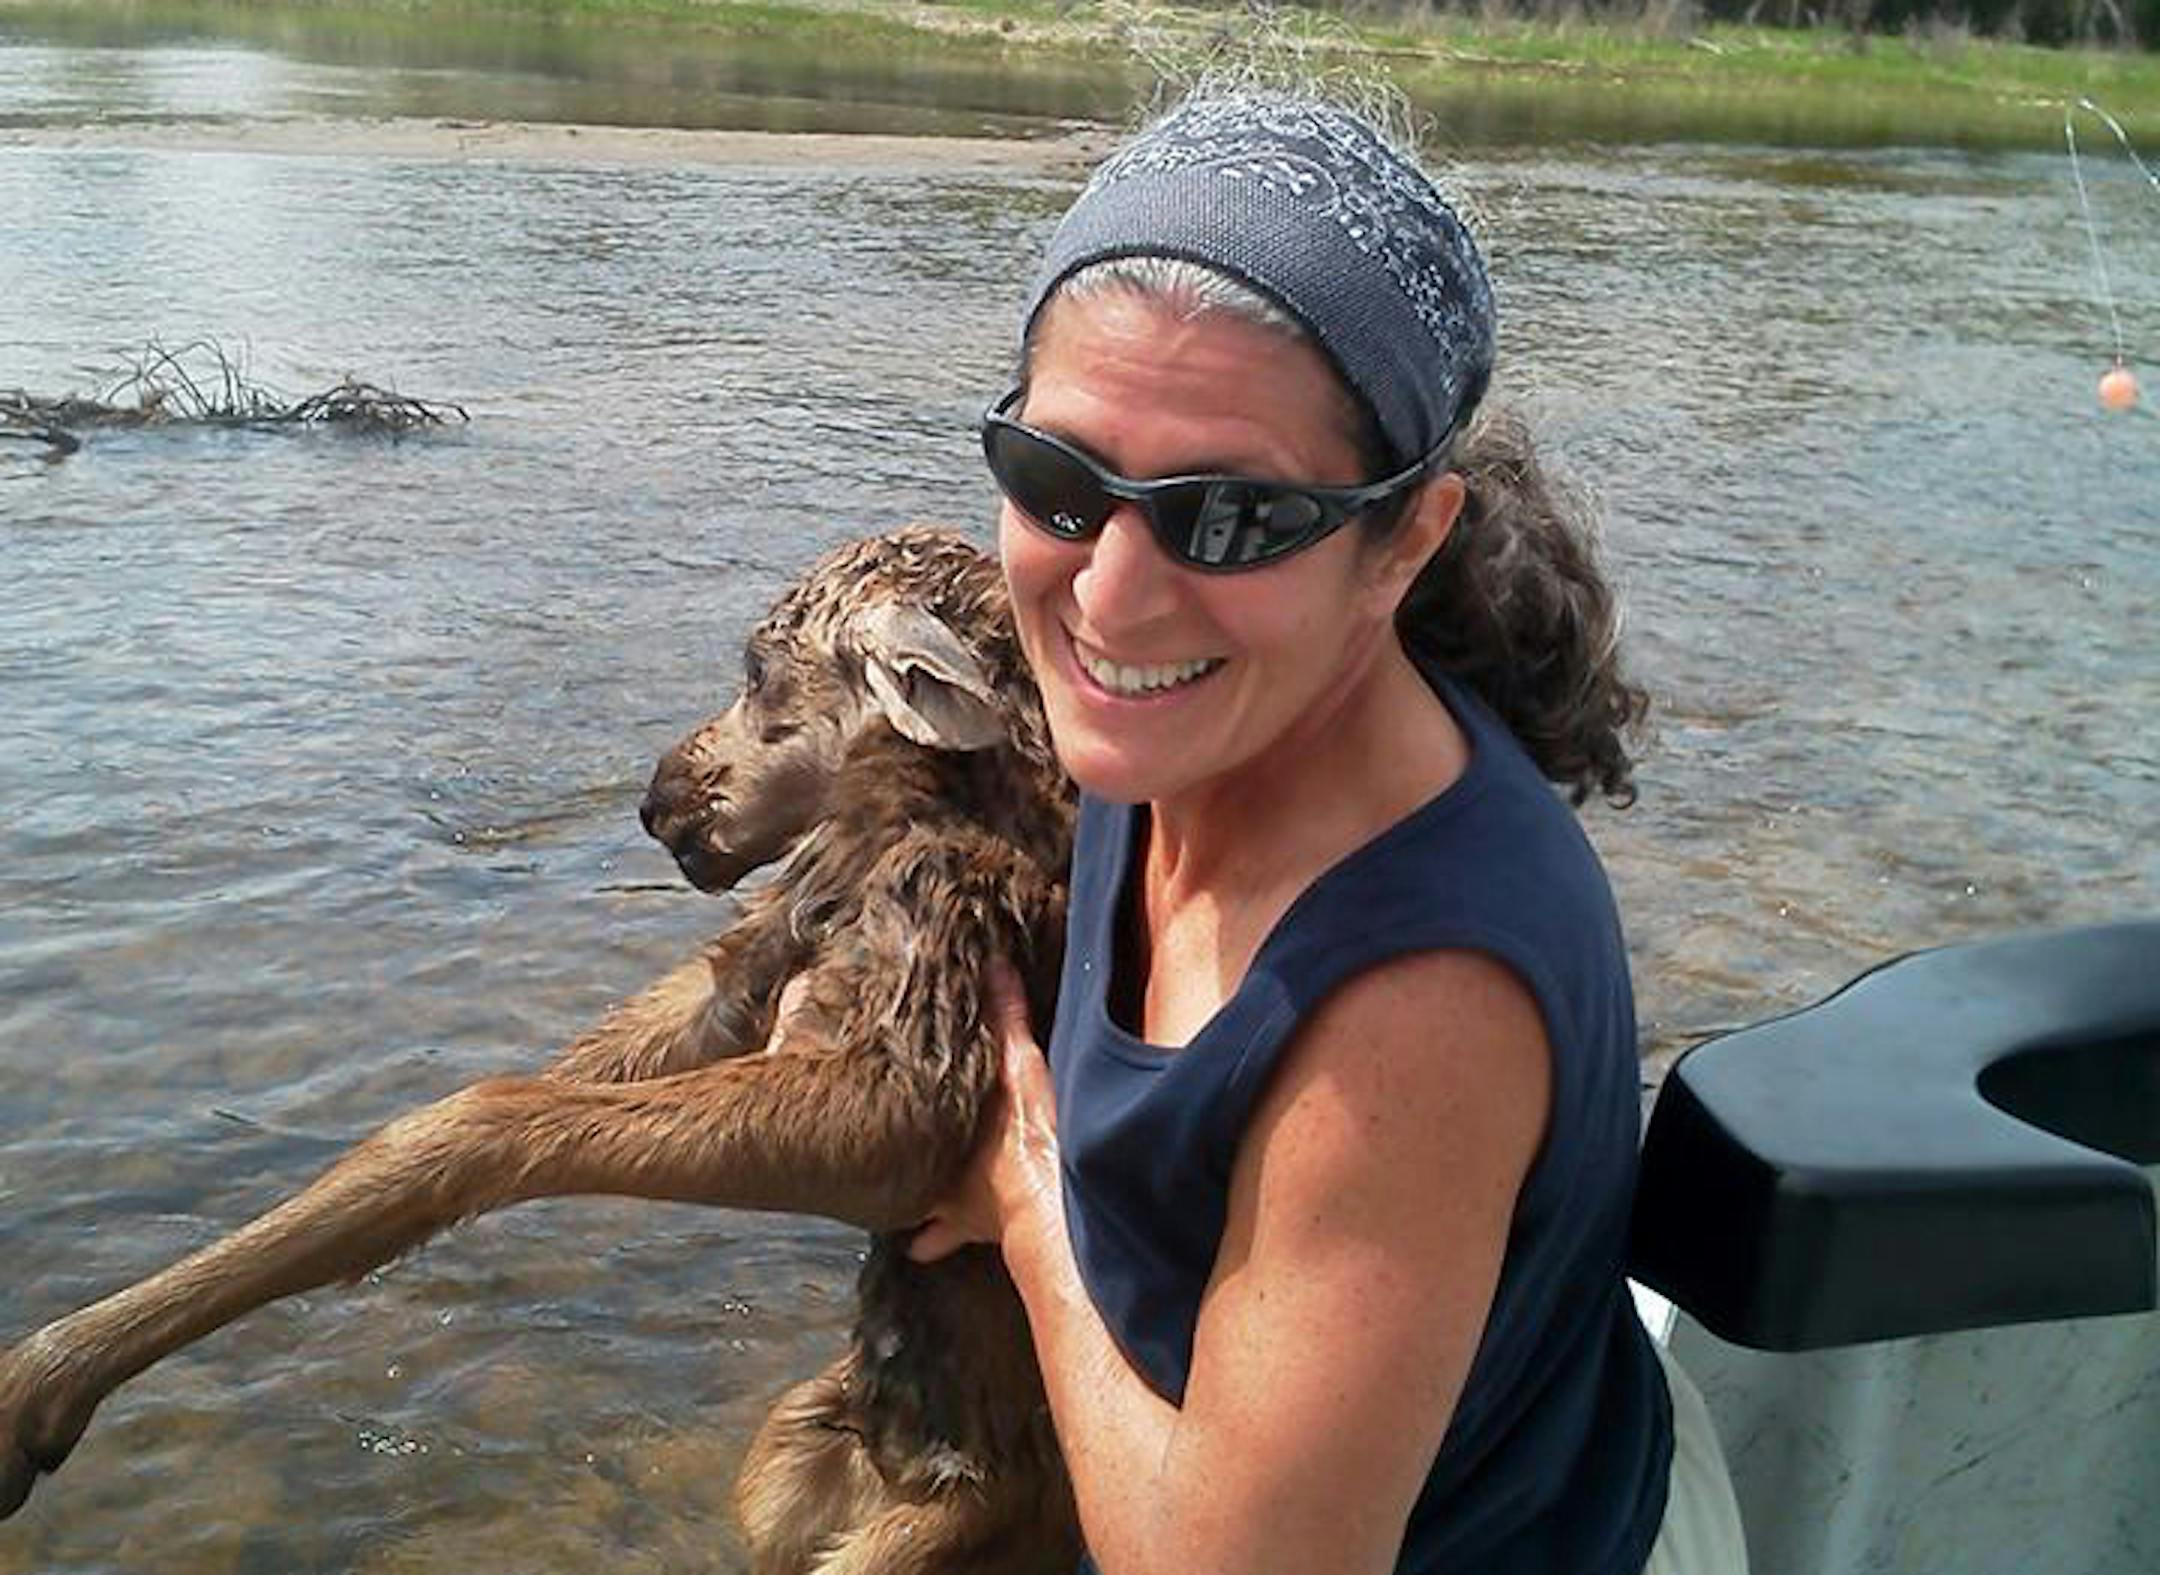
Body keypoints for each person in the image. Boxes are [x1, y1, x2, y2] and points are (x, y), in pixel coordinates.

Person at [908, 91, 1745, 1575]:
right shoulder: (1184, 719)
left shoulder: (1417, 1005)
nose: (1109, 597)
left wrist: (1026, 1199)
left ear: (1403, 545)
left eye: (1230, 517)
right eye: (1058, 478)